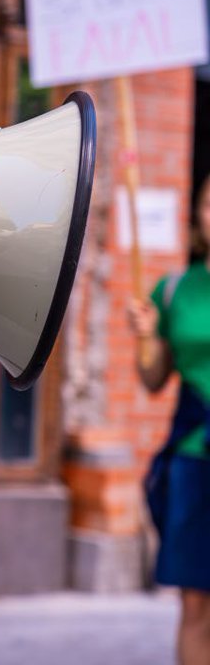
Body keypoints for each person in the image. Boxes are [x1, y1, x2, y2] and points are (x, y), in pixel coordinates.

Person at [129, 173, 210, 665]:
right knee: (195, 601)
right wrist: (146, 336)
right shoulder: (176, 288)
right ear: (198, 215)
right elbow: (153, 379)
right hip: (194, 458)